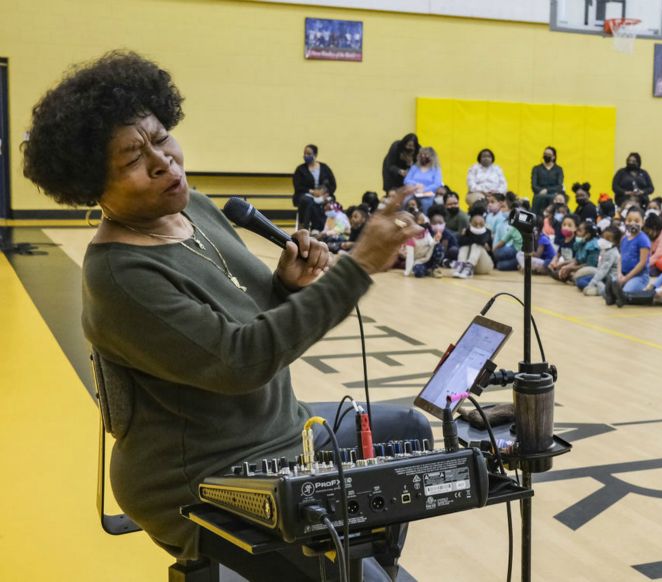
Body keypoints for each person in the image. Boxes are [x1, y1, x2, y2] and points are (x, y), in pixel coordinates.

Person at [22, 51, 431, 574]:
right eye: (131, 159)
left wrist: (286, 285)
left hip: (279, 429)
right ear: (92, 186)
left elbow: (250, 318)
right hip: (204, 477)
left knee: (409, 433)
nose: (162, 161)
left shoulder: (193, 206)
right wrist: (361, 265)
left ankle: (364, 561)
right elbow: (241, 361)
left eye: (161, 136)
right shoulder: (119, 275)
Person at [604, 207, 651, 307]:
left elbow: (642, 263)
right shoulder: (624, 238)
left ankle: (618, 296)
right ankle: (612, 295)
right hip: (624, 274)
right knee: (612, 287)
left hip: (639, 277)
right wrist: (620, 274)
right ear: (625, 221)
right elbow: (620, 257)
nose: (632, 223)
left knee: (626, 291)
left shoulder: (643, 240)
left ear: (643, 222)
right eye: (629, 220)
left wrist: (626, 278)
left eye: (637, 221)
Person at [292, 144, 337, 232]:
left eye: (308, 154)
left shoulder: (324, 168)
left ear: (315, 155)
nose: (305, 156)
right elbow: (297, 186)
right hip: (306, 194)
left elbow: (333, 184)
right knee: (309, 201)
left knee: (329, 200)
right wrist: (312, 191)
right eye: (304, 153)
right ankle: (305, 228)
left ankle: (325, 228)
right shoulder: (300, 169)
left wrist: (324, 193)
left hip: (322, 194)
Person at [581, 227, 621, 295]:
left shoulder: (612, 253)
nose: (604, 240)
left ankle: (604, 290)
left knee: (588, 282)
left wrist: (592, 283)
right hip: (602, 277)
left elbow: (603, 271)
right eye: (603, 237)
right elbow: (599, 266)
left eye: (608, 239)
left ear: (615, 242)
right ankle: (597, 288)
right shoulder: (604, 249)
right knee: (581, 281)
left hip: (609, 279)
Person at [452, 211, 493, 278]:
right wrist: (465, 235)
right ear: (470, 223)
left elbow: (482, 241)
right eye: (475, 224)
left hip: (484, 265)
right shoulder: (466, 231)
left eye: (481, 224)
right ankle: (461, 265)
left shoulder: (487, 232)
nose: (478, 226)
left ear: (484, 223)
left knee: (476, 245)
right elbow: (461, 243)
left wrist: (470, 237)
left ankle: (469, 267)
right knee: (465, 246)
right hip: (470, 266)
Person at [404, 146, 443, 213]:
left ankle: (425, 221)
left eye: (425, 154)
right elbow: (406, 180)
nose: (423, 156)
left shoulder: (436, 169)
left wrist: (424, 189)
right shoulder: (415, 167)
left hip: (428, 194)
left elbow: (437, 184)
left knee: (426, 204)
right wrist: (416, 185)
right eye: (421, 154)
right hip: (413, 192)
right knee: (404, 201)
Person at [402, 212, 437, 277]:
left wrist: (436, 239)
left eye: (424, 219)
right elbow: (410, 256)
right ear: (415, 222)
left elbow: (432, 243)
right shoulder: (410, 238)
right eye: (421, 220)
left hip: (427, 257)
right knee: (419, 272)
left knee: (438, 247)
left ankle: (434, 268)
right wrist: (407, 272)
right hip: (418, 260)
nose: (424, 221)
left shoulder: (426, 231)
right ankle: (426, 270)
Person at [531, 146, 564, 215]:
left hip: (553, 194)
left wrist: (547, 190)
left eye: (549, 155)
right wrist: (540, 191)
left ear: (553, 157)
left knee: (554, 199)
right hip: (539, 194)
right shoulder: (536, 169)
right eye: (545, 154)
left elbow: (559, 186)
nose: (546, 156)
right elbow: (534, 185)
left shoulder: (558, 169)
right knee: (538, 198)